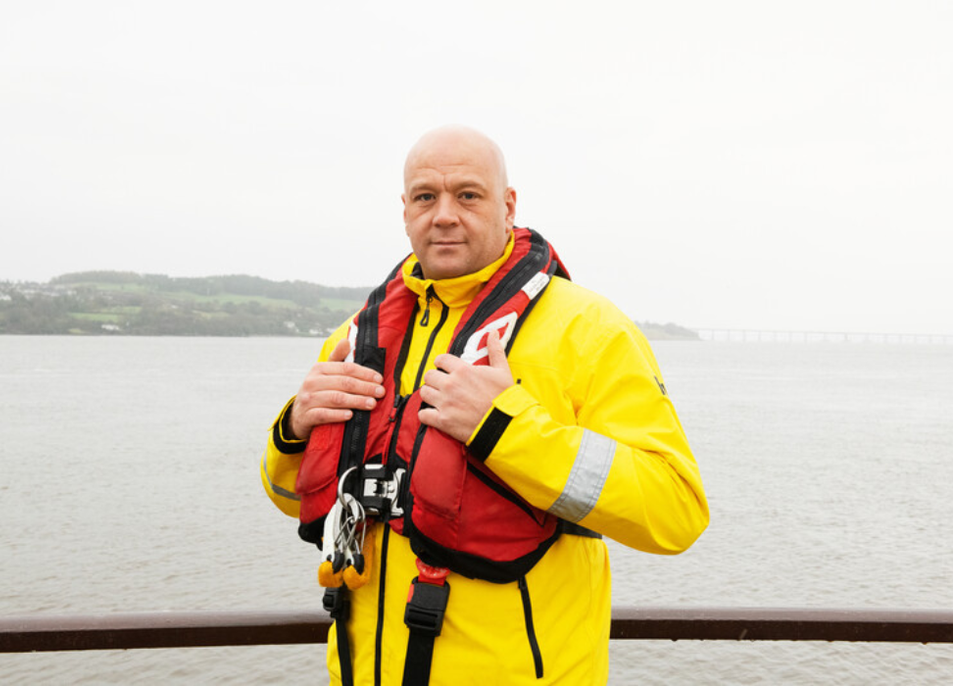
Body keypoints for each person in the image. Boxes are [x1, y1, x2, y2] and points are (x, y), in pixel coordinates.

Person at [262, 125, 709, 685]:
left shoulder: (590, 330)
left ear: (508, 205)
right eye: (426, 197)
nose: (444, 215)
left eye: (467, 195)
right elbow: (289, 495)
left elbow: (676, 513)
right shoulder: (356, 337)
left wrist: (507, 429)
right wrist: (292, 431)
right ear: (405, 211)